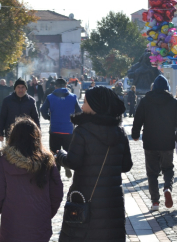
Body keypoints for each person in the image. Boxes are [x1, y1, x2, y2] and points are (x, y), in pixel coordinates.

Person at [56, 86, 133, 242]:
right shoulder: (120, 132)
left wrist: (60, 155)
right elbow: (126, 166)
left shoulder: (82, 131)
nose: (82, 106)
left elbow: (73, 162)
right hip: (112, 202)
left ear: (95, 106)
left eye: (85, 102)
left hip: (86, 197)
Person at [0, 117, 63, 242]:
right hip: (40, 226)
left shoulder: (4, 161)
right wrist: (46, 213)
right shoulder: (47, 161)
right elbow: (57, 194)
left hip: (12, 228)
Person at [132, 75, 177, 211]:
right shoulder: (173, 102)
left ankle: (155, 202)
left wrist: (135, 134)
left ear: (154, 87)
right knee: (168, 168)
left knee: (152, 173)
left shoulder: (145, 101)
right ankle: (167, 187)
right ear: (167, 87)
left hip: (150, 141)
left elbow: (138, 119)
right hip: (167, 141)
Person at [41, 78, 82, 178]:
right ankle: (66, 165)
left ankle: (56, 172)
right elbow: (79, 111)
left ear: (55, 86)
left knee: (54, 152)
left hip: (55, 130)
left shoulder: (50, 97)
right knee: (68, 151)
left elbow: (42, 110)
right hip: (68, 130)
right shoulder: (73, 97)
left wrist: (49, 117)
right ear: (66, 85)